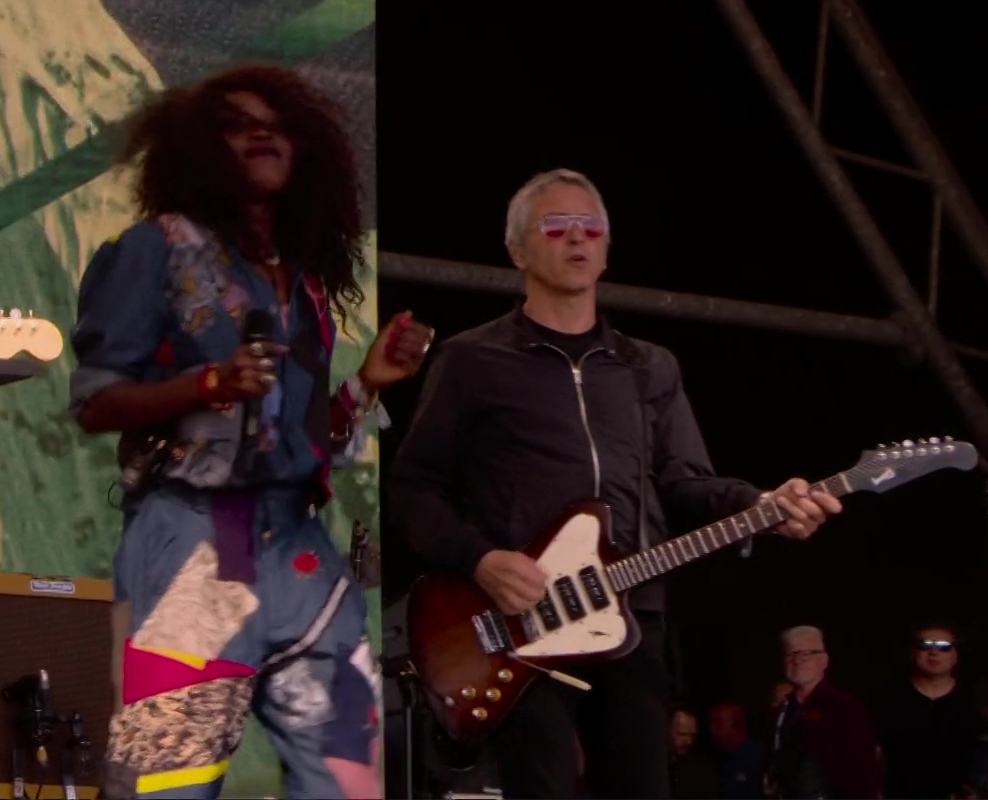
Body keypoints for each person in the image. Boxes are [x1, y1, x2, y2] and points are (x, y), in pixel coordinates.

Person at [387, 168, 843, 799]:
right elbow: (413, 488)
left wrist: (759, 503)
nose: (577, 238)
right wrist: (484, 559)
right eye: (556, 226)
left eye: (591, 227)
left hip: (633, 613)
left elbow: (685, 482)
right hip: (520, 622)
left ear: (606, 248)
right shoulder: (473, 360)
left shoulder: (648, 367)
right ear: (518, 249)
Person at [67, 63, 432, 799]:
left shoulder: (302, 278)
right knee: (166, 783)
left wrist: (364, 386)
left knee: (348, 782)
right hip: (200, 543)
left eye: (278, 123)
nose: (263, 132)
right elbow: (97, 402)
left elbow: (293, 437)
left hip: (300, 548)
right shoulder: (154, 250)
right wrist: (210, 382)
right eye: (237, 124)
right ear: (200, 149)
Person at [769, 625, 879, 800]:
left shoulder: (846, 708)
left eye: (806, 654)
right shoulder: (781, 711)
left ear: (824, 660)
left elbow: (862, 776)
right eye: (791, 654)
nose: (797, 661)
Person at [875, 622, 977, 800]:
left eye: (944, 647)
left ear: (955, 656)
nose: (934, 653)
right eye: (925, 645)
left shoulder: (974, 702)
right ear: (913, 652)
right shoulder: (888, 699)